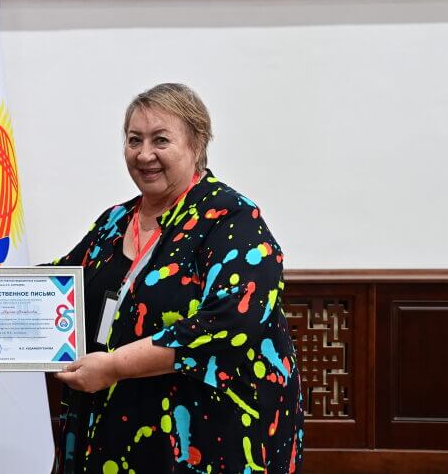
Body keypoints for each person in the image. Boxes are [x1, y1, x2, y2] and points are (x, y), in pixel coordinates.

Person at [53, 83, 304, 473]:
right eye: (134, 140)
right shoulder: (114, 221)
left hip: (207, 435)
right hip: (114, 429)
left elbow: (228, 325)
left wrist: (116, 366)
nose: (144, 154)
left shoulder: (231, 219)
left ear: (196, 143)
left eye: (160, 140)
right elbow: (58, 284)